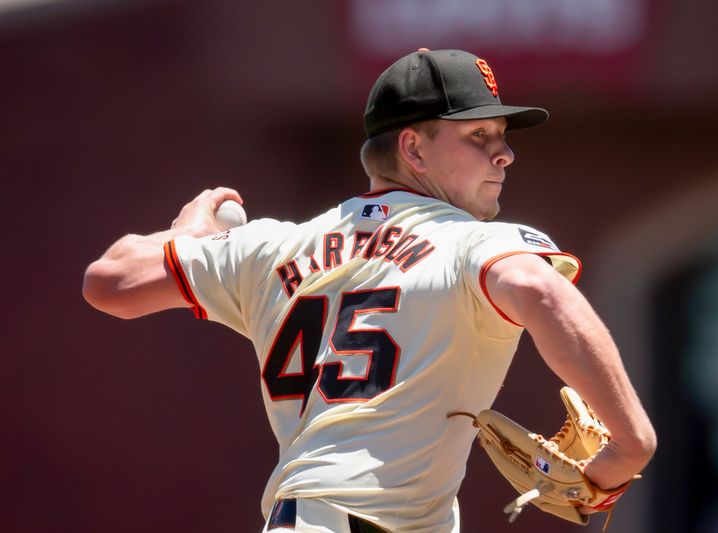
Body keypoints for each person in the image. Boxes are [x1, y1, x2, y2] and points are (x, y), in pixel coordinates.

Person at [83, 49, 656, 532]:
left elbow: (110, 283)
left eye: (501, 137)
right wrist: (631, 445)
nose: (504, 153)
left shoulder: (269, 247)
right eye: (479, 135)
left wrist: (185, 236)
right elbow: (541, 290)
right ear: (413, 149)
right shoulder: (471, 243)